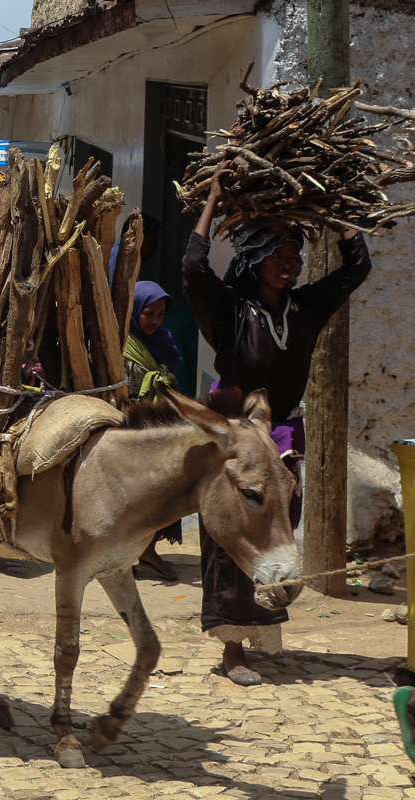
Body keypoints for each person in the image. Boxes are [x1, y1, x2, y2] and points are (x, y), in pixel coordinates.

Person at [184, 161, 372, 686]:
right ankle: (232, 649)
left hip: (284, 434)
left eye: (294, 256)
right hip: (235, 438)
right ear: (256, 260)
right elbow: (194, 269)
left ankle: (262, 629)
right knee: (229, 536)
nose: (288, 265)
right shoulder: (229, 311)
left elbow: (357, 267)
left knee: (275, 536)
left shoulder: (306, 307)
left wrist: (334, 215)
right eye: (278, 256)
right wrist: (215, 199)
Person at [122, 281, 184, 581]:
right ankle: (124, 553)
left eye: (160, 314)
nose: (155, 320)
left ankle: (147, 548)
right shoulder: (121, 343)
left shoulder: (164, 340)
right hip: (130, 427)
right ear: (134, 311)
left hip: (160, 427)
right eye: (148, 313)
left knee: (161, 491)